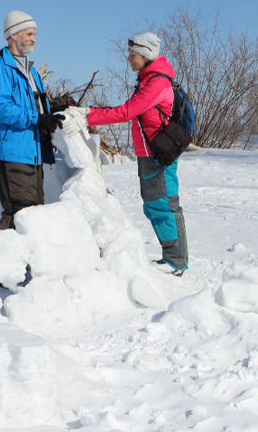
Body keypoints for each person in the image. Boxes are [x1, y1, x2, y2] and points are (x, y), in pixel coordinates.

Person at [64, 32, 188, 275]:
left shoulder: (157, 83)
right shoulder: (147, 79)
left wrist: (87, 116)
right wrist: (88, 112)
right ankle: (172, 257)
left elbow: (125, 112)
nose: (129, 59)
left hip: (158, 154)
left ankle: (176, 261)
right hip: (149, 153)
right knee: (154, 205)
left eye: (133, 55)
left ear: (146, 55)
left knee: (164, 204)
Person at [0, 10, 63, 230]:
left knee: (34, 212)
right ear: (13, 35)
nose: (34, 39)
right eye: (29, 33)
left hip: (32, 151)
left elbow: (33, 105)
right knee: (20, 212)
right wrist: (38, 118)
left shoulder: (30, 70)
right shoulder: (1, 69)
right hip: (12, 150)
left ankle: (29, 263)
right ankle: (9, 261)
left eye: (34, 34)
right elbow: (0, 108)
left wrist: (51, 111)